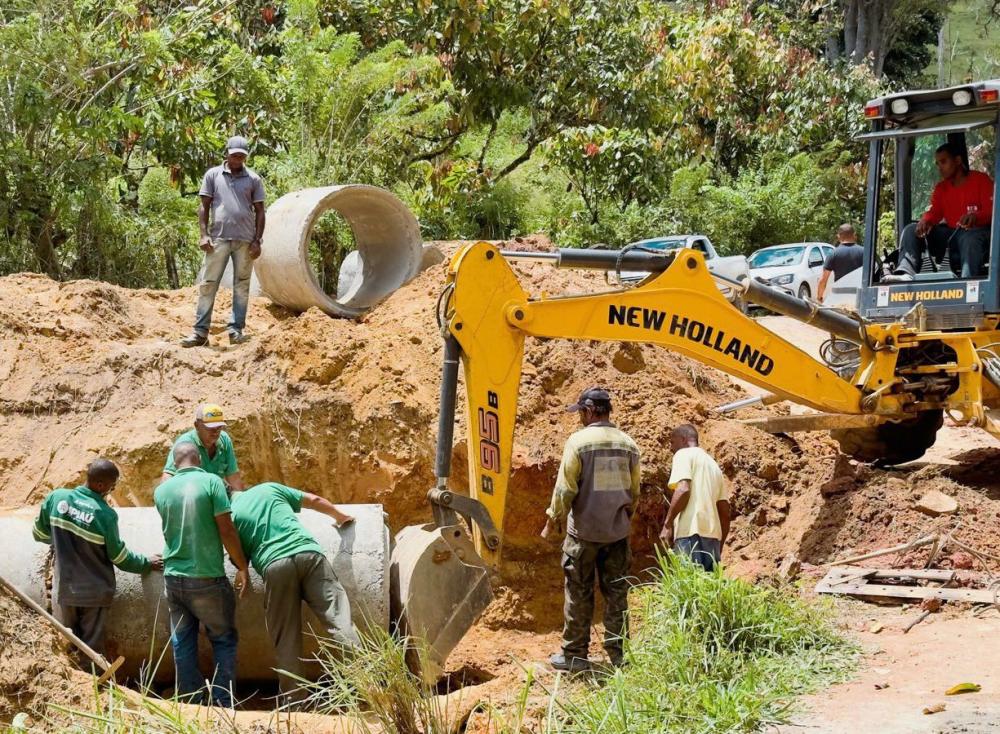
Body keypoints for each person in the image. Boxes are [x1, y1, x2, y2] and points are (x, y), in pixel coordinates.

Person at [541, 387, 640, 672]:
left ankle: (574, 655)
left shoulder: (578, 442)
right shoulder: (628, 444)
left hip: (583, 534)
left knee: (578, 592)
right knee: (617, 594)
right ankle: (619, 655)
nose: (579, 418)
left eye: (581, 413)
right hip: (617, 536)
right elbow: (634, 492)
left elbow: (565, 488)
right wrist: (623, 519)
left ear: (589, 411)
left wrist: (553, 519)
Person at [230, 483, 359, 700]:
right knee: (339, 620)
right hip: (310, 555)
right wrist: (341, 516)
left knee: (286, 636)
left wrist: (241, 568)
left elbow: (238, 556)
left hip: (275, 565)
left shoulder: (229, 515)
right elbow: (314, 500)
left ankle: (295, 701)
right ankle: (370, 681)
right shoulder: (268, 488)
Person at [32, 459, 162, 657]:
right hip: (94, 594)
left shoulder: (57, 498)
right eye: (112, 485)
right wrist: (146, 563)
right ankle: (92, 686)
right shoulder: (104, 515)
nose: (112, 490)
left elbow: (38, 534)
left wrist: (62, 538)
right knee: (91, 653)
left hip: (65, 591)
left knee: (67, 648)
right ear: (100, 485)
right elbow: (119, 557)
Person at [154, 442, 251, 708]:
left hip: (173, 578)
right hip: (207, 576)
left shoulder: (161, 491)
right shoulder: (212, 482)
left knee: (182, 641)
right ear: (198, 459)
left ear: (174, 464)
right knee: (223, 638)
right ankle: (222, 702)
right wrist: (241, 565)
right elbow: (227, 529)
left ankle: (189, 700)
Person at [181, 135, 266, 347]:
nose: (238, 159)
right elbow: (204, 206)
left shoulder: (253, 179)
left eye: (242, 156)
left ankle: (236, 330)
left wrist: (257, 240)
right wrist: (203, 234)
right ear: (226, 153)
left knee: (242, 285)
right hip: (218, 238)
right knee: (209, 284)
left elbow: (260, 211)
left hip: (245, 240)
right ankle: (200, 333)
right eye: (235, 154)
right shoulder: (213, 175)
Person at [883, 142, 994, 281]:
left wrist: (975, 217)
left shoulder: (981, 180)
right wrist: (925, 221)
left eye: (943, 162)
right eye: (938, 164)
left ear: (958, 160)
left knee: (970, 238)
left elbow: (993, 212)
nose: (940, 168)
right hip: (952, 234)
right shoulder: (941, 188)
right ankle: (905, 273)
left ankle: (967, 282)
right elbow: (935, 212)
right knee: (911, 229)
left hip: (978, 233)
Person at [660, 425, 730, 572]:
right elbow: (724, 511)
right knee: (708, 591)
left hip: (689, 535)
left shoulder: (683, 454)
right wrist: (720, 543)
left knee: (688, 588)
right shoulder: (714, 465)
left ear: (684, 439)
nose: (671, 448)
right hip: (712, 538)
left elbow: (684, 488)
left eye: (672, 442)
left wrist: (667, 524)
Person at [161, 404, 244, 491]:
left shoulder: (224, 440)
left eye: (219, 427)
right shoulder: (185, 444)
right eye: (210, 428)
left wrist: (241, 501)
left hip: (215, 495)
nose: (215, 432)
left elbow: (234, 478)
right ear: (197, 425)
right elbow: (167, 478)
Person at [817, 224, 864, 302]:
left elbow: (823, 280)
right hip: (860, 295)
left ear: (838, 236)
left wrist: (819, 297)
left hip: (840, 296)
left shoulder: (833, 254)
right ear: (854, 235)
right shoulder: (864, 252)